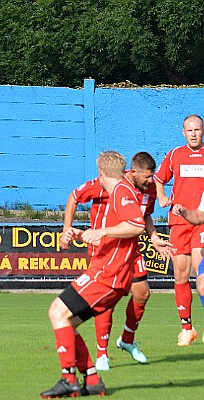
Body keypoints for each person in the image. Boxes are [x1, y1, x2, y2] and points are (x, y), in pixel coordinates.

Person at [41, 151, 145, 398]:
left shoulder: (121, 190)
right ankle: (92, 379)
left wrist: (102, 232)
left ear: (101, 173)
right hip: (107, 271)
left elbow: (137, 225)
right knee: (68, 322)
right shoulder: (120, 190)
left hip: (108, 273)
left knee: (57, 312)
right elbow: (120, 228)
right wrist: (82, 233)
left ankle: (68, 379)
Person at [60, 152, 174, 371]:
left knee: (142, 293)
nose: (152, 182)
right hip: (105, 250)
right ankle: (102, 353)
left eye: (152, 177)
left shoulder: (147, 190)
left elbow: (144, 217)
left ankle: (127, 339)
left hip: (131, 249)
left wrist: (155, 239)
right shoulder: (108, 184)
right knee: (107, 299)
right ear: (132, 172)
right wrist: (67, 230)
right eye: (147, 177)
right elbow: (74, 196)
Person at [154, 114, 204, 346]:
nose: (194, 133)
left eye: (197, 129)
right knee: (181, 275)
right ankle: (187, 328)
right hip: (178, 223)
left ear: (202, 131)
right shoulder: (175, 155)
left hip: (201, 222)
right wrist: (162, 196)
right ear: (183, 133)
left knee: (201, 274)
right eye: (189, 130)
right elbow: (158, 179)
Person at [172, 194, 204, 343]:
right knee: (196, 281)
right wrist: (184, 211)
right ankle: (187, 328)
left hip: (200, 226)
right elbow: (198, 216)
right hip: (182, 221)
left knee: (200, 272)